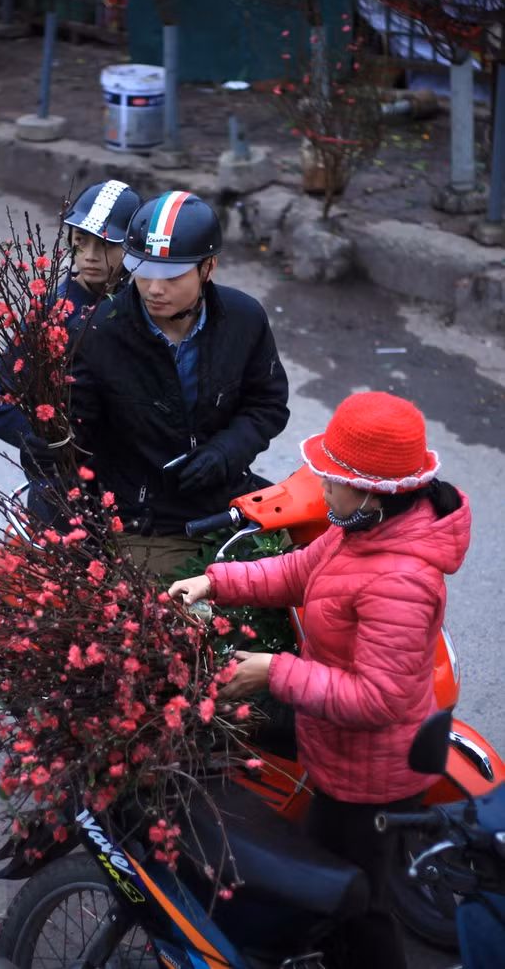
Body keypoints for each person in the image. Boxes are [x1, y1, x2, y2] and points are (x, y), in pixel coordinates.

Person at [168, 390, 471, 969]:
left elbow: (378, 697)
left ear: (376, 491)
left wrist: (272, 671)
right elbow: (295, 572)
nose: (321, 487)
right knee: (331, 894)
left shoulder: (401, 579)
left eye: (332, 478)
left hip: (374, 777)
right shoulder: (356, 531)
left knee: (358, 909)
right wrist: (213, 583)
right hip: (342, 758)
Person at [69, 190, 290, 576]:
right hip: (142, 520)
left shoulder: (245, 318)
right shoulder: (98, 330)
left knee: (310, 565)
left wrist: (223, 452)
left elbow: (267, 405)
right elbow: (75, 439)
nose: (155, 288)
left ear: (208, 268)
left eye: (171, 276)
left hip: (228, 495)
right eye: (143, 271)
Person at [0, 180, 141, 512]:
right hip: (64, 491)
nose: (90, 256)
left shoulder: (143, 303)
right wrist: (48, 442)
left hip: (126, 485)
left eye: (105, 245)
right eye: (80, 241)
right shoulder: (53, 312)